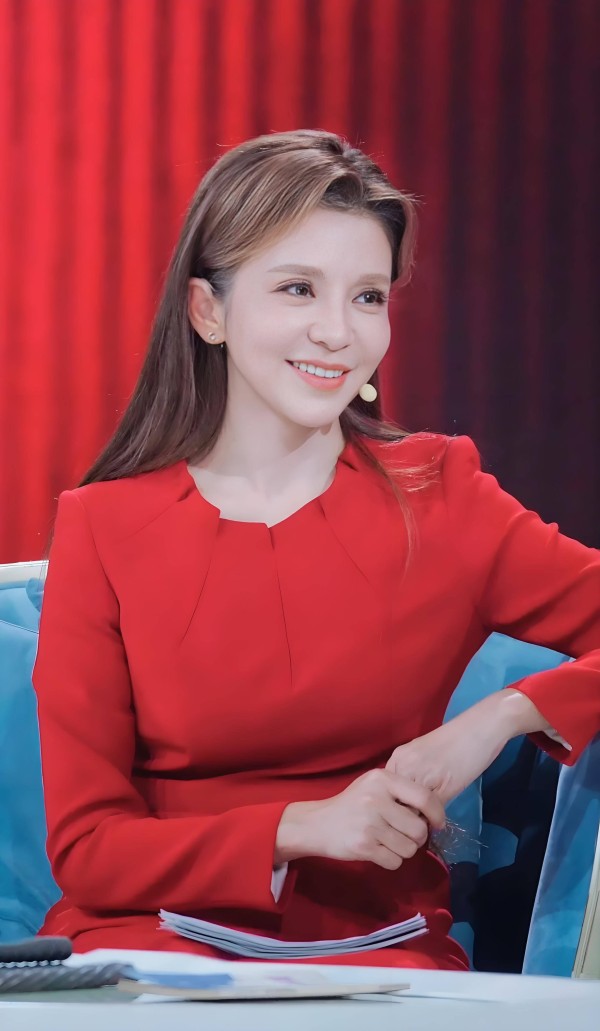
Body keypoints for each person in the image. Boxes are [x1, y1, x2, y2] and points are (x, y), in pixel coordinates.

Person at [33, 129, 600, 970]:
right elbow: (88, 847)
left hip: (376, 955)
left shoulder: (441, 494)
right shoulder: (103, 526)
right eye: (298, 288)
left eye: (367, 296)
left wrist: (507, 713)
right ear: (208, 311)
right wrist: (299, 827)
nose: (338, 331)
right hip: (151, 946)